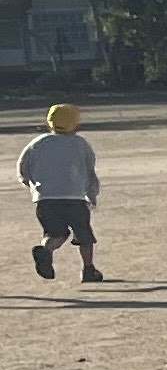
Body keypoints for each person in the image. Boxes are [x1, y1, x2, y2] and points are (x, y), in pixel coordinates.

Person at [20, 103, 101, 283]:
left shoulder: (38, 143)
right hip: (75, 198)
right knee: (84, 235)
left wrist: (30, 185)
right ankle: (88, 269)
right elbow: (89, 170)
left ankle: (45, 250)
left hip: (46, 199)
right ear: (76, 123)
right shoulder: (80, 144)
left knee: (56, 233)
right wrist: (92, 193)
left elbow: (23, 167)